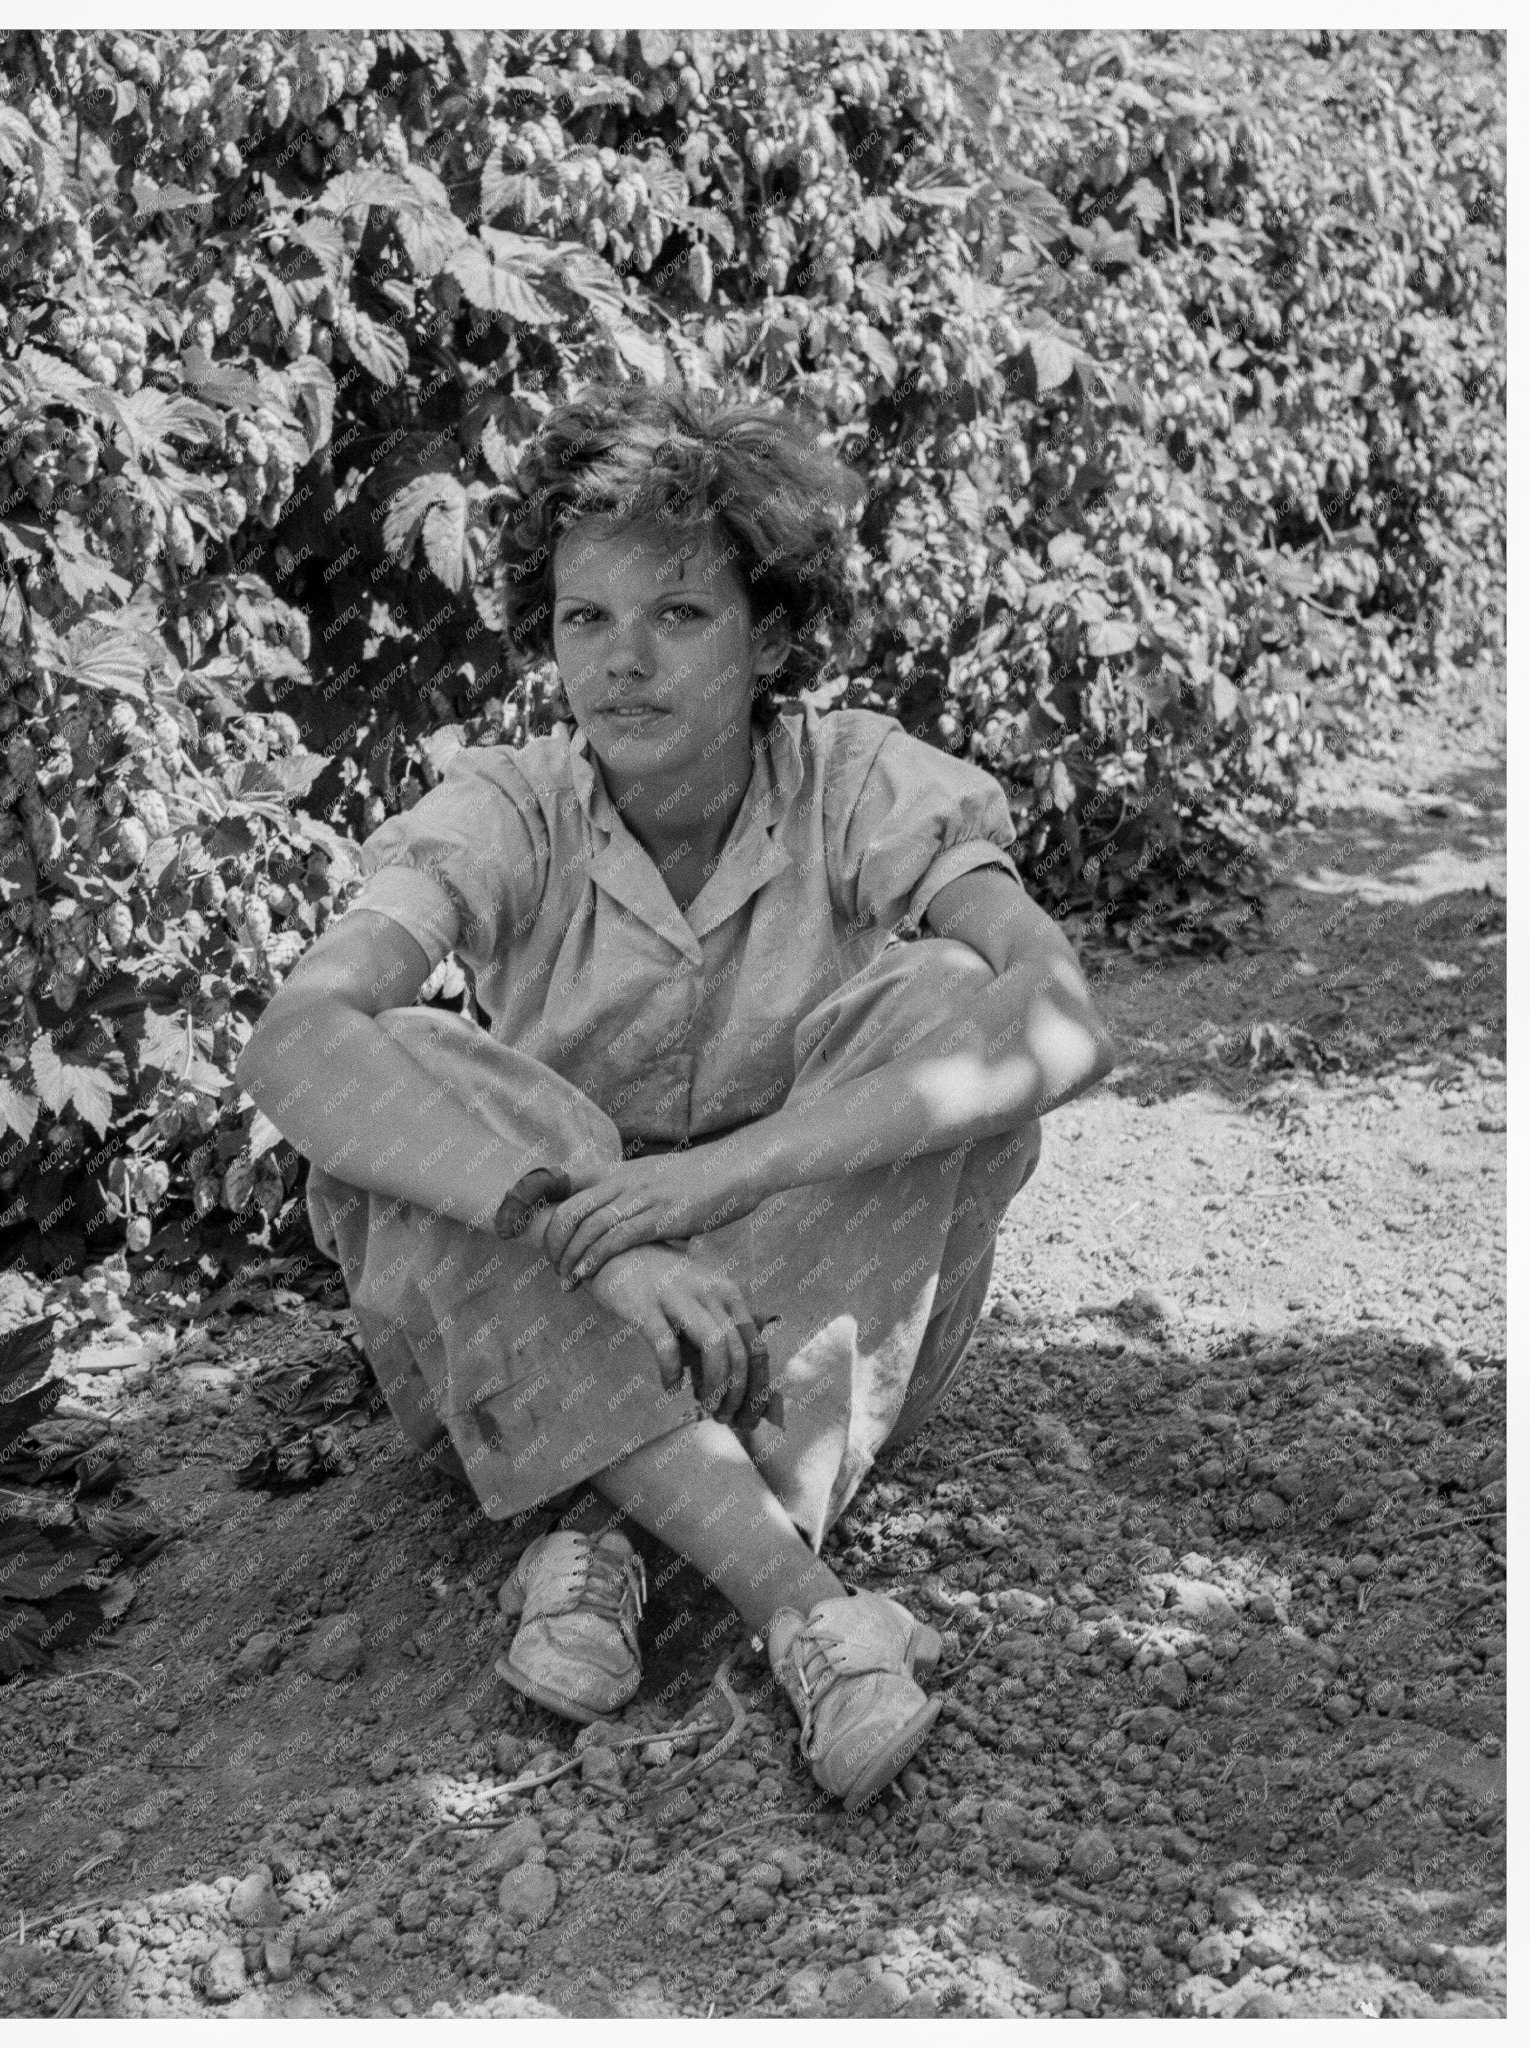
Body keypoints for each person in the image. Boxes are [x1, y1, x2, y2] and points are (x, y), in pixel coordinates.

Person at [237, 381, 1117, 1811]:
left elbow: (1065, 1017)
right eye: (586, 619)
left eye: (679, 617)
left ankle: (606, 1539)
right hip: (556, 1297)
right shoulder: (503, 809)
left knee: (954, 1002)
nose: (622, 663)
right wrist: (601, 1230)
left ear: (770, 634)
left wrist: (718, 1181)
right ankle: (802, 1606)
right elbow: (294, 1038)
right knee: (407, 1066)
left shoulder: (860, 784)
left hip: (804, 1302)